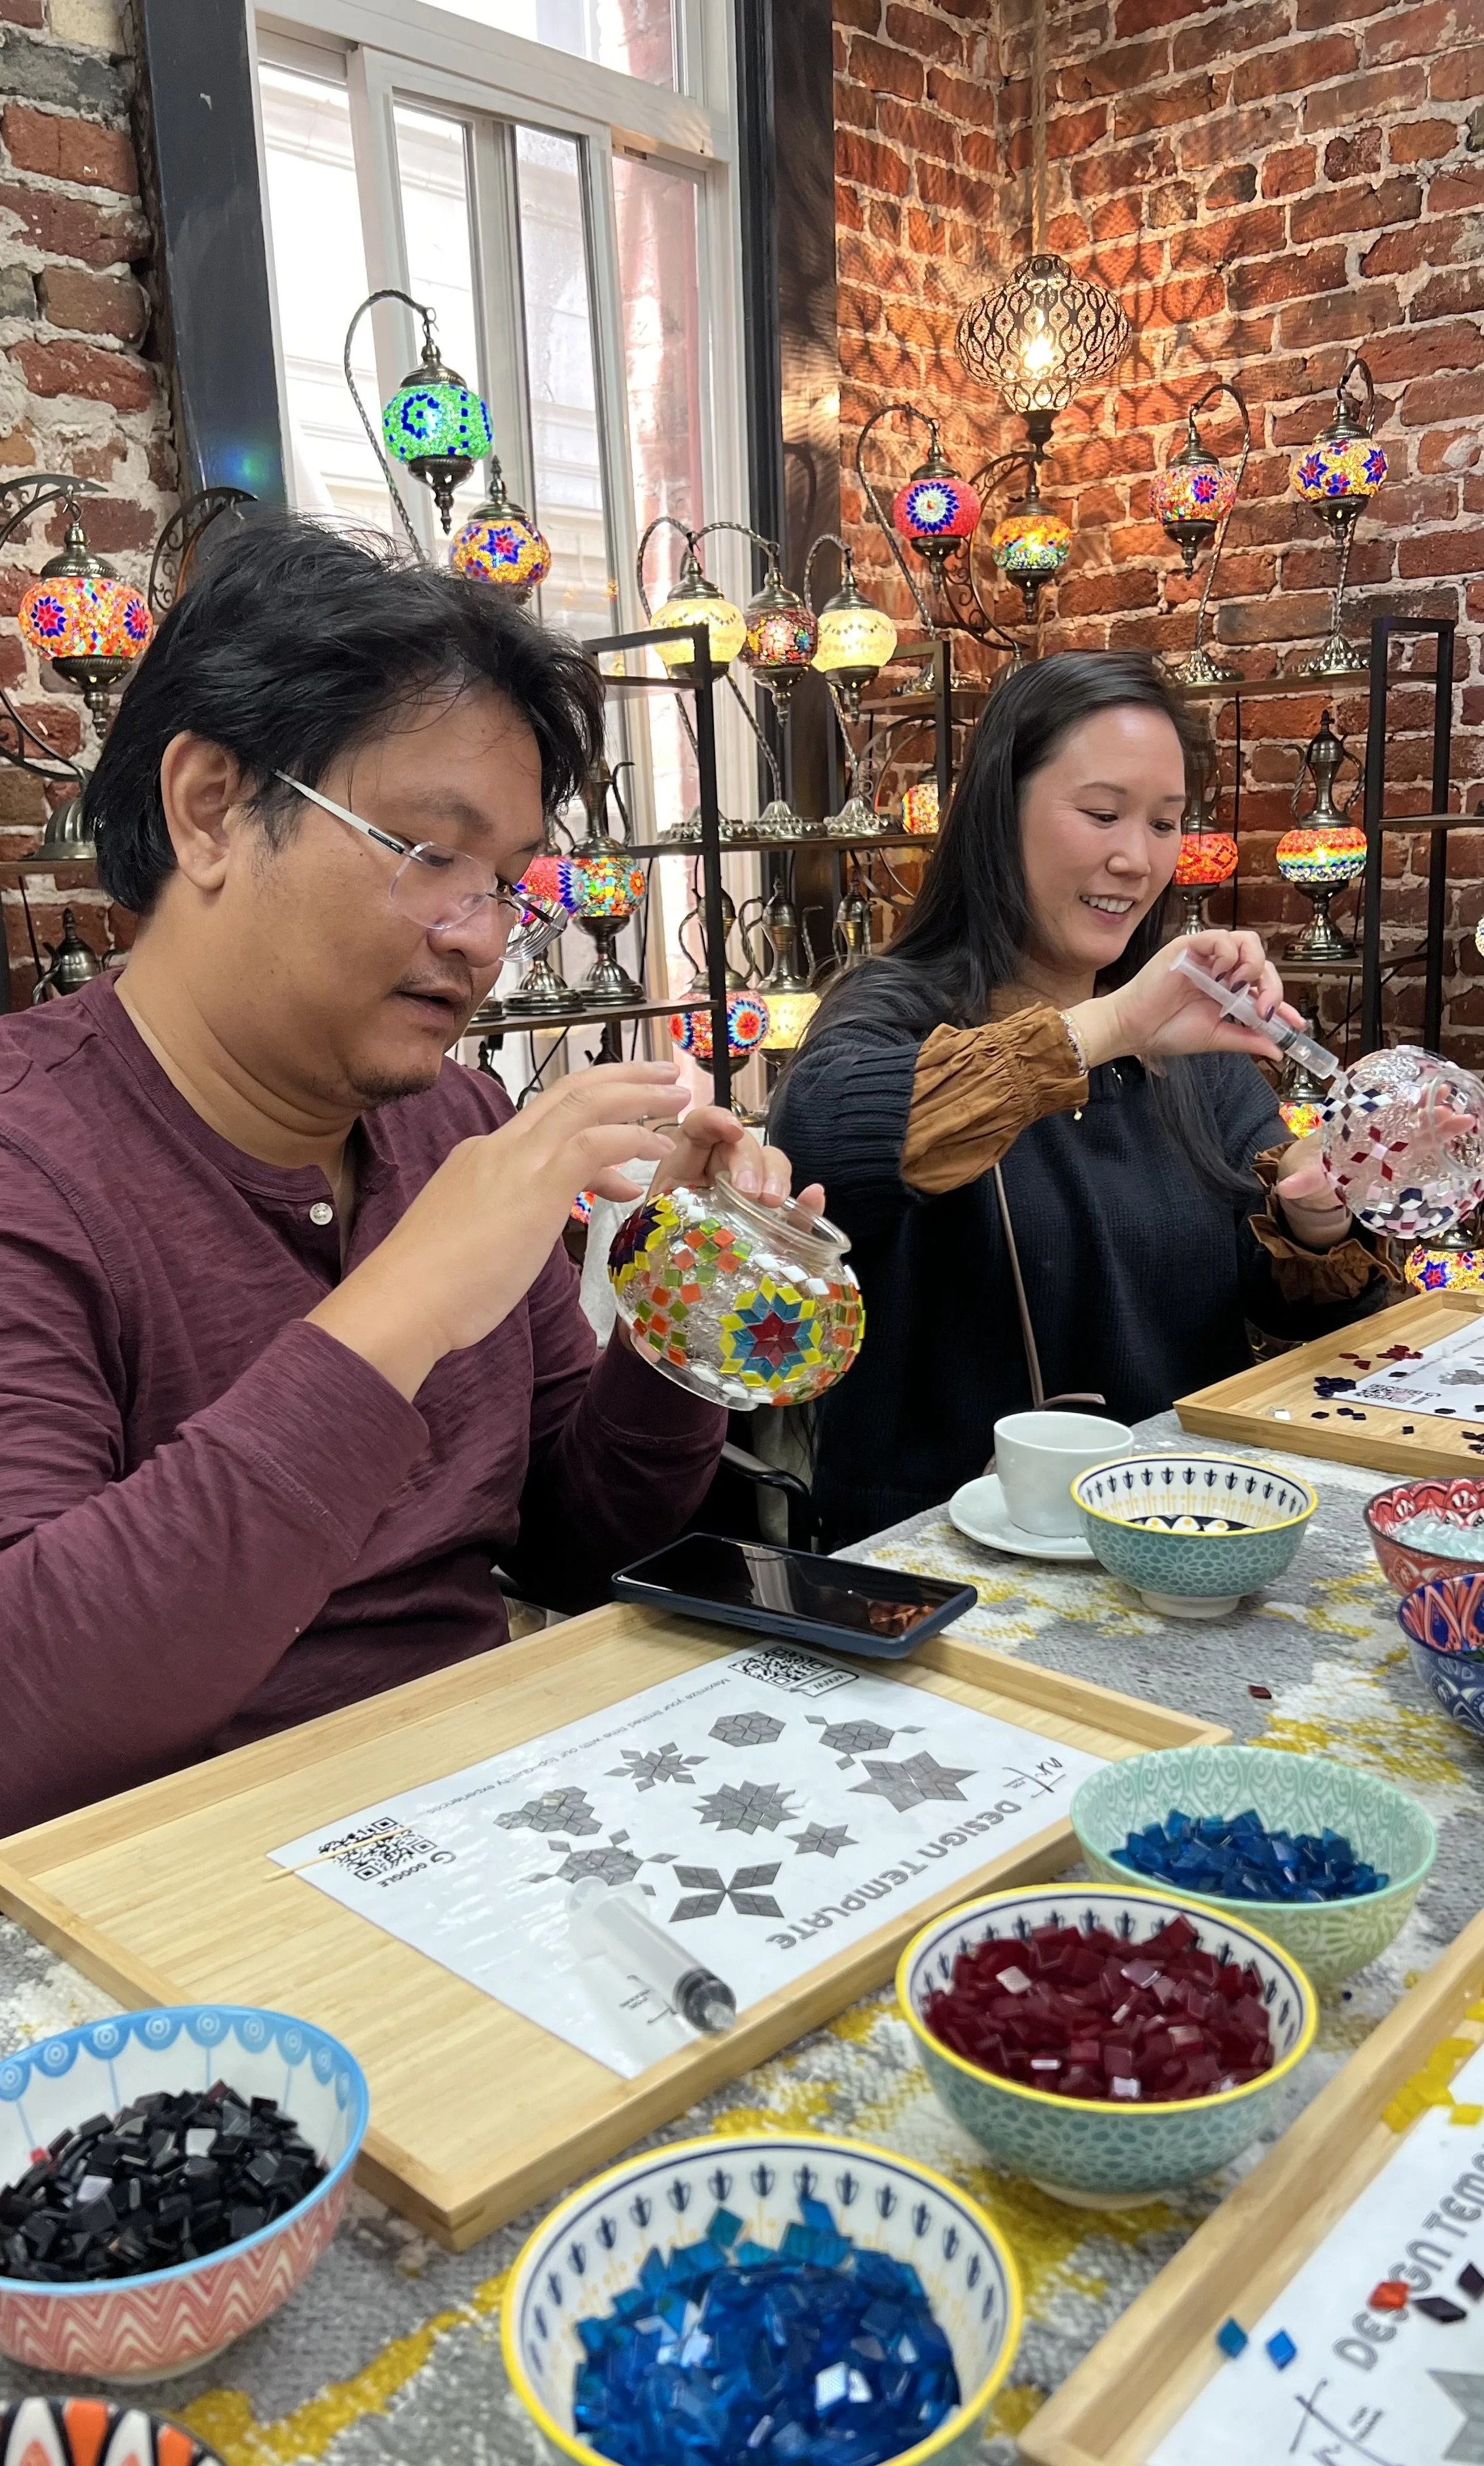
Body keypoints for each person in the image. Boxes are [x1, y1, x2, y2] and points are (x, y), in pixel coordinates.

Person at [0, 521, 822, 1833]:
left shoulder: (448, 1124)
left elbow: (577, 1544)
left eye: (508, 882)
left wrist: (680, 1299)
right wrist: (417, 1294)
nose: (481, 937)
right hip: (170, 1907)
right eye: (429, 853)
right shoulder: (33, 1160)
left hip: (487, 1817)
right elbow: (27, 1719)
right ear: (212, 807)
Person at [769, 650, 1387, 1547]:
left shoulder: (1186, 1046)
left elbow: (1293, 1302)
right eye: (1100, 813)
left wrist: (1322, 1204)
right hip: (940, 1566)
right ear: (999, 810)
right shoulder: (892, 1016)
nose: (1136, 859)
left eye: (1166, 822)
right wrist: (1110, 1028)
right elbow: (828, 1139)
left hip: (1177, 1538)